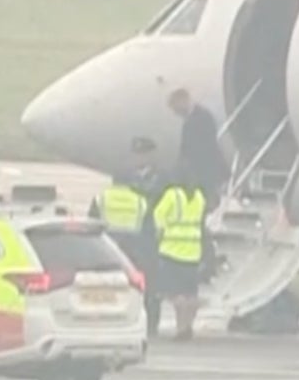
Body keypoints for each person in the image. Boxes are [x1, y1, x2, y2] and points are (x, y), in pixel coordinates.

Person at [90, 137, 163, 336]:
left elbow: (92, 226)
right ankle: (149, 325)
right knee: (143, 288)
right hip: (137, 248)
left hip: (109, 248)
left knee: (108, 288)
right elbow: (150, 227)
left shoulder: (102, 198)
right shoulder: (140, 201)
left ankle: (105, 323)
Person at [148, 167, 208, 342]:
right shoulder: (199, 197)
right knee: (190, 293)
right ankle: (187, 325)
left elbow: (158, 218)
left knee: (175, 293)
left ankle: (181, 327)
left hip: (172, 250)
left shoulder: (172, 195)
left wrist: (159, 238)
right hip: (193, 251)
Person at [167, 87, 228, 209]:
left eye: (176, 108)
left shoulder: (203, 117)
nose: (175, 113)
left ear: (184, 101)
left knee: (208, 203)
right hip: (197, 172)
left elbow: (206, 146)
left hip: (207, 171)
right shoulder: (189, 121)